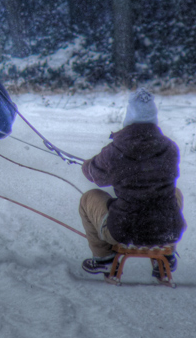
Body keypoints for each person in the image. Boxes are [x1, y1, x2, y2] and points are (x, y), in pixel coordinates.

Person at [78, 88, 186, 279]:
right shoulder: (170, 148)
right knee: (175, 193)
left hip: (126, 230)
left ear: (129, 115)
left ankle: (104, 258)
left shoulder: (116, 150)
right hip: (166, 230)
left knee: (89, 198)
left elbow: (95, 175)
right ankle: (166, 255)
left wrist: (87, 165)